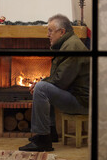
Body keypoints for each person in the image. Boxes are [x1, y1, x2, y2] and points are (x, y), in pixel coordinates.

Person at [19, 14, 90, 152]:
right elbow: (59, 79)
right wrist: (43, 82)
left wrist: (39, 84)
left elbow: (61, 81)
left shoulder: (72, 46)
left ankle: (43, 140)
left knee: (42, 88)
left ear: (62, 32)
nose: (47, 35)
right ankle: (50, 132)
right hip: (78, 97)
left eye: (50, 31)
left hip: (83, 102)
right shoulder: (68, 43)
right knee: (44, 87)